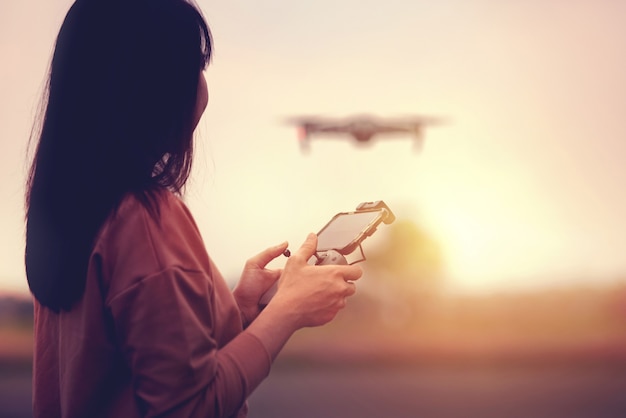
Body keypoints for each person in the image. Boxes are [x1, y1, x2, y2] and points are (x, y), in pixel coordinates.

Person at [24, 0, 362, 417]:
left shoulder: (69, 209)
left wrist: (237, 309)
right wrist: (289, 311)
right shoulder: (145, 219)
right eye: (196, 66)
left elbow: (136, 358)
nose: (203, 86)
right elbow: (191, 407)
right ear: (155, 87)